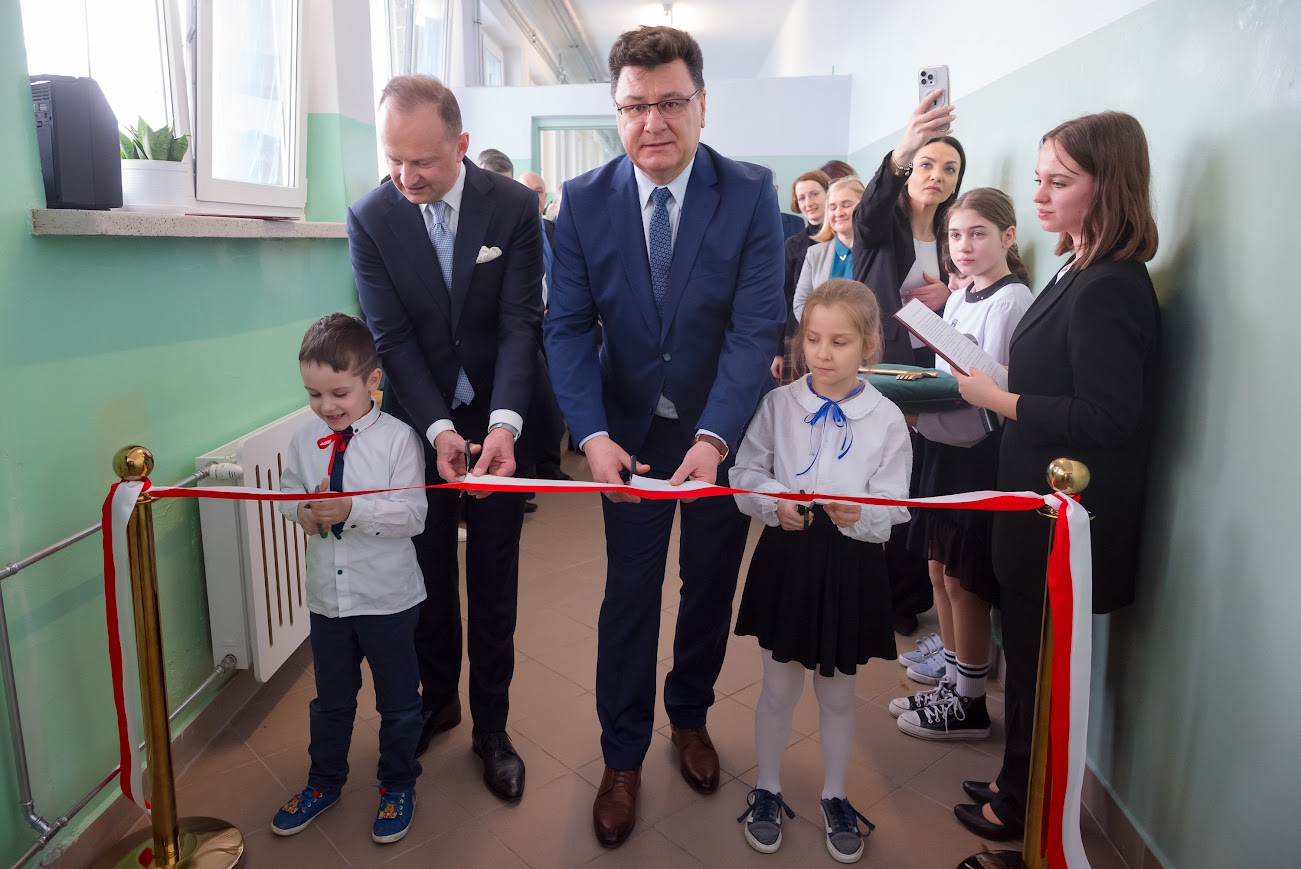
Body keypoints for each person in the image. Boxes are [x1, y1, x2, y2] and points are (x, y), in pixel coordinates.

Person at [544, 25, 786, 848]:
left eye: (671, 102)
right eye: (634, 106)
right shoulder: (582, 202)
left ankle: (688, 715)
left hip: (719, 431)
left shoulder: (748, 193)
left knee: (708, 585)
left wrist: (715, 437)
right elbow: (566, 328)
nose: (652, 122)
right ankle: (620, 756)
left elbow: (755, 328)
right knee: (629, 596)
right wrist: (589, 434)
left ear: (702, 105)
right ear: (616, 112)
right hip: (629, 438)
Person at [951, 111, 1161, 840]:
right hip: (1033, 503)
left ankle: (1023, 807)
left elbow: (1107, 416)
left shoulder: (1110, 285)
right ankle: (1016, 777)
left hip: (1064, 519)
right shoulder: (1077, 266)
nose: (1038, 196)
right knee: (1027, 660)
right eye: (1039, 180)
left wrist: (997, 399)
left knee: (1042, 669)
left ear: (1109, 187)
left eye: (1058, 183)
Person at [348, 74, 545, 802]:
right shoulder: (370, 217)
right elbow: (391, 337)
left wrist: (501, 424)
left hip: (502, 419)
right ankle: (439, 700)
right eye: (393, 159)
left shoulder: (513, 206)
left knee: (493, 579)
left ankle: (492, 727)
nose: (406, 177)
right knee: (425, 573)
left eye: (423, 161)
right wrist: (435, 428)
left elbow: (521, 323)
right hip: (417, 426)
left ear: (461, 145)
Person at [731, 279, 911, 862]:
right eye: (813, 339)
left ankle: (835, 794)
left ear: (869, 345)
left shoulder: (886, 417)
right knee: (778, 686)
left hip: (850, 565)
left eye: (840, 341)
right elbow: (745, 473)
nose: (823, 354)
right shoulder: (779, 404)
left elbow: (894, 504)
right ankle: (767, 787)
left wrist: (863, 514)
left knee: (837, 692)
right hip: (789, 557)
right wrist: (774, 503)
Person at [270, 314, 428, 844]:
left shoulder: (399, 441)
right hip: (329, 602)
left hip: (387, 600)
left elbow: (414, 516)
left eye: (339, 393)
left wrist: (352, 509)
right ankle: (324, 782)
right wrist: (302, 513)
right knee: (330, 703)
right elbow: (288, 496)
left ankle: (398, 783)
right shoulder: (303, 438)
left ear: (372, 381)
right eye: (314, 394)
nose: (326, 406)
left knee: (399, 703)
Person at [891, 188, 1033, 741]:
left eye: (977, 234)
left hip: (976, 455)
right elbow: (945, 374)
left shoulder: (1010, 301)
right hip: (941, 446)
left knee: (963, 579)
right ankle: (952, 681)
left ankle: (969, 702)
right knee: (938, 569)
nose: (964, 246)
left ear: (1008, 236)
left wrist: (934, 397)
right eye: (954, 235)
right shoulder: (960, 295)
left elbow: (997, 388)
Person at [853, 91, 967, 637]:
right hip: (881, 371)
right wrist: (904, 148)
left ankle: (906, 593)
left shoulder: (955, 235)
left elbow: (985, 284)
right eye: (926, 164)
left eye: (949, 169)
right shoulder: (882, 225)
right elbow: (866, 211)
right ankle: (867, 591)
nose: (936, 176)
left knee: (915, 484)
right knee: (874, 481)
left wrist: (952, 291)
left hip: (934, 376)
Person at [771, 169, 830, 385]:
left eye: (814, 194)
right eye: (801, 197)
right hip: (798, 335)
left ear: (828, 193)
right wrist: (777, 351)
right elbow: (784, 298)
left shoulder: (848, 239)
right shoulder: (794, 245)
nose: (808, 203)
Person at [791, 176, 865, 321]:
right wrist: (821, 329)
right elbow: (800, 303)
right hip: (822, 333)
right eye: (832, 207)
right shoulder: (815, 253)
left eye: (846, 205)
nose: (838, 213)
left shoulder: (877, 252)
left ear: (864, 207)